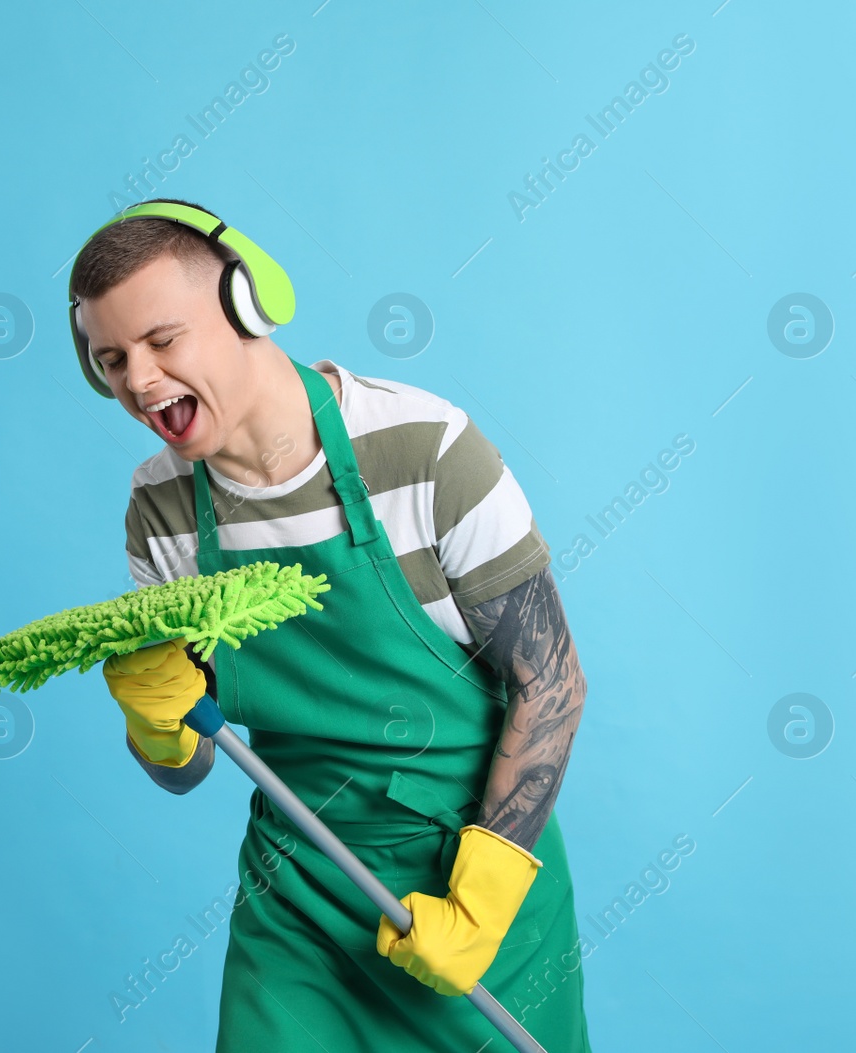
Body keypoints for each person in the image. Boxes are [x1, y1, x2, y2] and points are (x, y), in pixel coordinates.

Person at [67, 198, 593, 1052]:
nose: (139, 379)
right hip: (300, 889)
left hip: (470, 872)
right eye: (112, 359)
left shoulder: (424, 449)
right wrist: (157, 726)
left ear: (245, 308)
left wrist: (483, 893)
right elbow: (191, 769)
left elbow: (552, 679)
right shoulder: (159, 509)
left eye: (164, 341)